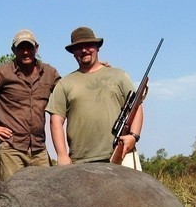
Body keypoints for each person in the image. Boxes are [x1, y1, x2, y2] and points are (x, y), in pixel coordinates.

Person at [0, 29, 60, 180]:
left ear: (36, 48)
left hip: (39, 148)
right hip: (11, 148)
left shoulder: (49, 73)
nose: (25, 52)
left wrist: (93, 68)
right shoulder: (1, 73)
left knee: (45, 195)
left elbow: (68, 91)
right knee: (14, 196)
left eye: (29, 47)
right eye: (20, 48)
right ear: (13, 50)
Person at [46, 26, 143, 170]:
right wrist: (62, 155)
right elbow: (56, 121)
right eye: (78, 47)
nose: (84, 50)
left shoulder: (119, 75)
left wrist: (133, 137)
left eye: (88, 45)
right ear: (73, 53)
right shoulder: (64, 83)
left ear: (97, 47)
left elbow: (137, 106)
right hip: (81, 161)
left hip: (122, 153)